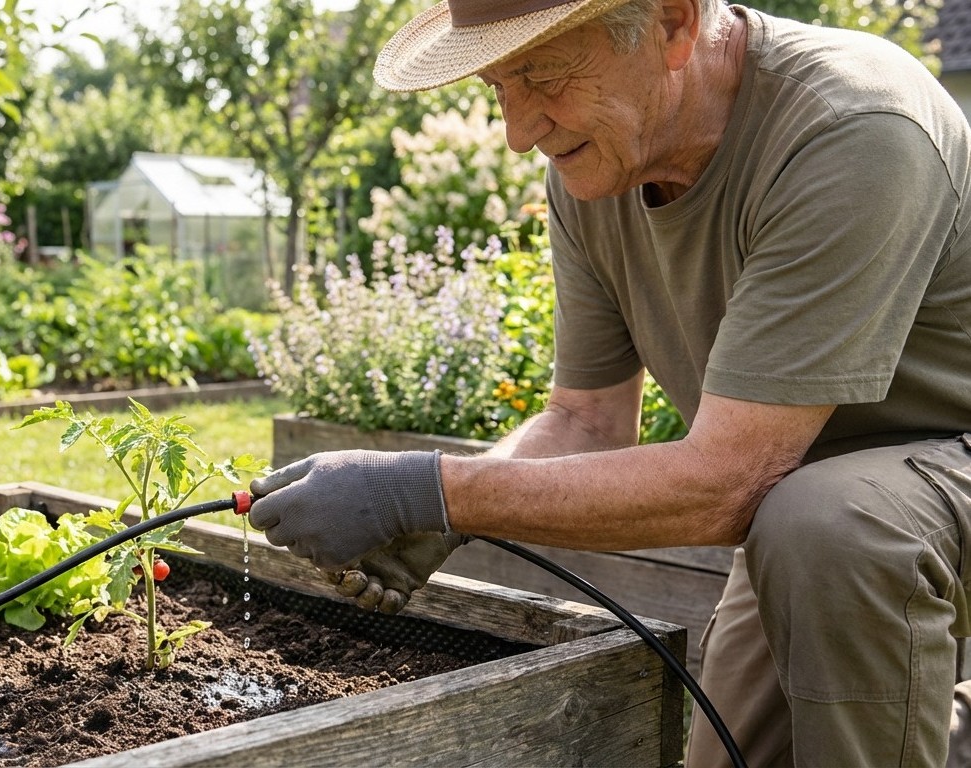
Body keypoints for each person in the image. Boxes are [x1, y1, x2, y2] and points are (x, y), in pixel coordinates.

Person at [246, 0, 971, 764]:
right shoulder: (600, 167)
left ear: (672, 23)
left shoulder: (850, 126)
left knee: (826, 527)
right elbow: (584, 421)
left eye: (544, 75)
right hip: (805, 511)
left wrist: (423, 489)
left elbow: (731, 481)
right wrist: (446, 515)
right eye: (497, 87)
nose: (518, 131)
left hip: (874, 498)